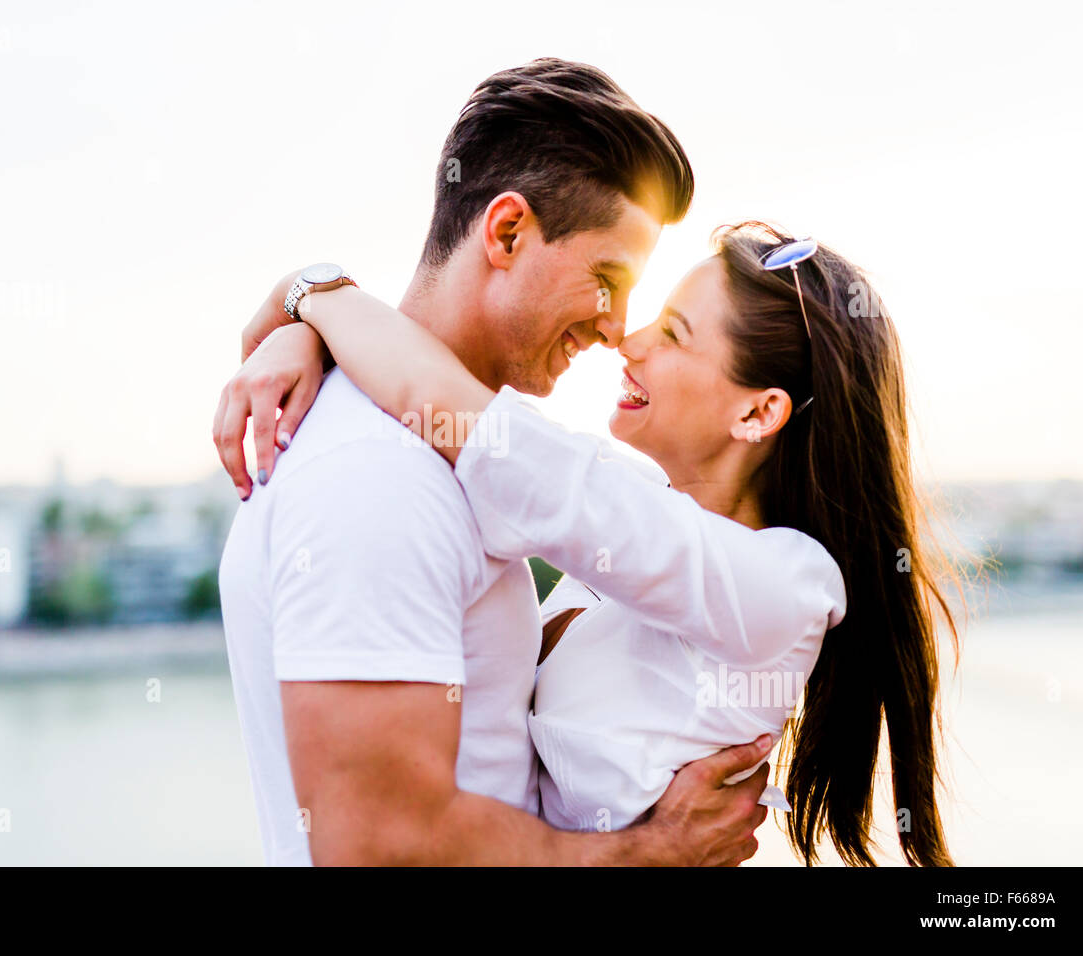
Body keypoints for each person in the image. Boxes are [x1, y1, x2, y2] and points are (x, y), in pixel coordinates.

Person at [223, 221, 960, 867]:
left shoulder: (787, 587)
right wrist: (304, 322)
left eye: (672, 333)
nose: (627, 339)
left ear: (758, 413)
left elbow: (448, 407)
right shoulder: (626, 523)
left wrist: (310, 295)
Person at [211, 58, 774, 866]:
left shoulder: (432, 450)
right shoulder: (380, 478)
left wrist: (312, 300)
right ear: (507, 232)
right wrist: (654, 851)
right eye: (607, 280)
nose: (617, 330)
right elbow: (379, 844)